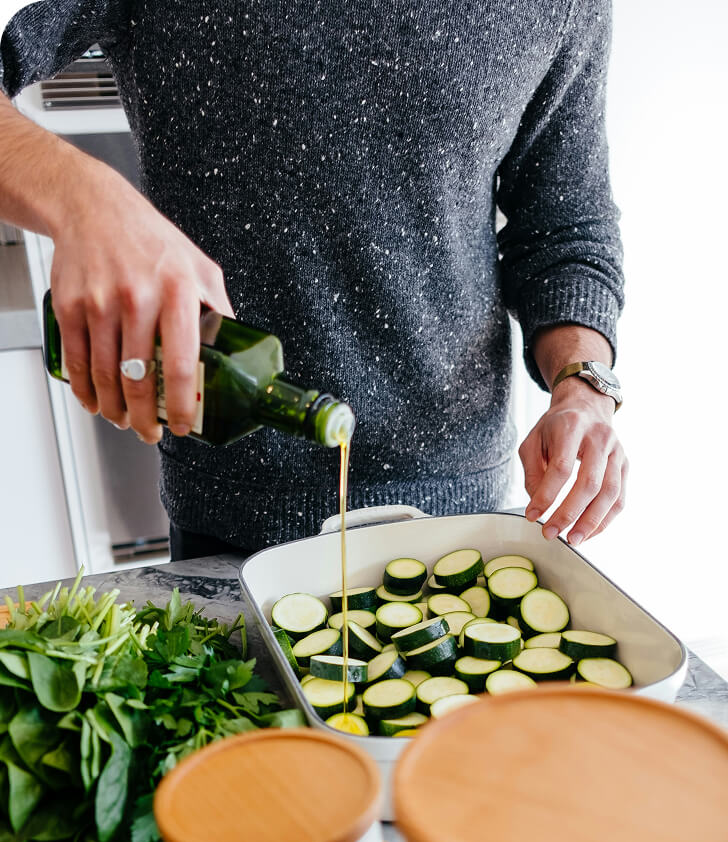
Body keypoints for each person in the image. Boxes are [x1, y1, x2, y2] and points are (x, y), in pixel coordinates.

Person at [0, 0, 627, 560]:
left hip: (460, 504)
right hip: (232, 506)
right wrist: (85, 198)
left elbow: (565, 225)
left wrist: (583, 385)